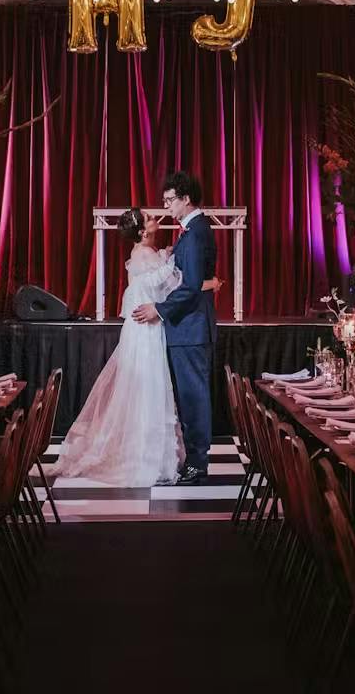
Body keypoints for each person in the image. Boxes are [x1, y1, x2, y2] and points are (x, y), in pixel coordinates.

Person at [58, 208, 221, 486]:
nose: (155, 216)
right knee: (150, 389)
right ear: (143, 232)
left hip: (148, 329)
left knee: (150, 389)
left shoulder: (150, 254)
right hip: (146, 331)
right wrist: (210, 283)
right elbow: (177, 285)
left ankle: (152, 454)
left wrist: (170, 256)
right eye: (148, 217)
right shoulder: (145, 256)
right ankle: (148, 457)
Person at [133, 171, 216, 485]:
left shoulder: (194, 233)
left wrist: (159, 308)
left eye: (170, 200)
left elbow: (192, 286)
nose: (166, 206)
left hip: (191, 328)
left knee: (194, 397)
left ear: (186, 199)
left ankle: (197, 463)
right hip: (188, 327)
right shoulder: (192, 231)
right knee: (189, 396)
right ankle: (194, 461)